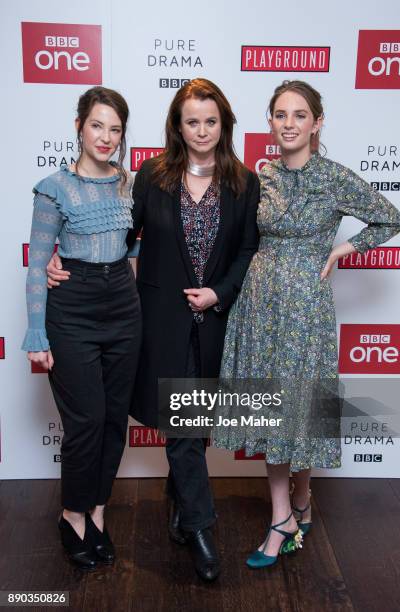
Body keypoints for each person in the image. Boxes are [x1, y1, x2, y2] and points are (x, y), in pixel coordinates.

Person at [47, 78, 260, 581]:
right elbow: (118, 234)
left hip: (215, 323)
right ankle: (202, 531)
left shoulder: (244, 182)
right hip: (157, 322)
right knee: (183, 431)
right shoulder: (152, 176)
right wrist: (63, 256)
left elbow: (248, 249)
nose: (202, 130)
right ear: (178, 126)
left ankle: (179, 503)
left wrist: (219, 292)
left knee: (195, 426)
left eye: (211, 121)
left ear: (224, 124)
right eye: (192, 121)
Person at [212, 80, 400, 569]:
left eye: (300, 115)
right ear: (270, 122)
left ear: (317, 123)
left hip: (306, 310)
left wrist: (344, 248)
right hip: (260, 305)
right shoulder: (262, 175)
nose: (289, 123)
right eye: (280, 114)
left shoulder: (335, 178)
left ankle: (300, 501)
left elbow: (390, 218)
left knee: (299, 410)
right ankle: (285, 515)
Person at [22, 86, 142, 571]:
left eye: (115, 129)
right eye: (97, 125)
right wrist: (36, 333)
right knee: (87, 420)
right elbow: (36, 265)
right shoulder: (54, 187)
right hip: (71, 308)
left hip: (122, 306)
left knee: (115, 420)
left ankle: (98, 511)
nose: (106, 137)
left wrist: (124, 274)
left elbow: (131, 244)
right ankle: (71, 514)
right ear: (79, 126)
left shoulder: (129, 184)